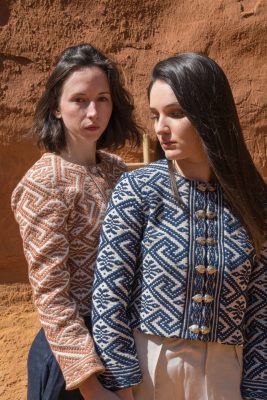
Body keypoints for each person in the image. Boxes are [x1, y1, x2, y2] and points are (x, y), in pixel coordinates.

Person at [92, 52, 267, 400]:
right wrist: (121, 378)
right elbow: (109, 292)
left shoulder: (254, 201)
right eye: (156, 115)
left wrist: (257, 386)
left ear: (209, 114)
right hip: (148, 367)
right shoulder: (137, 189)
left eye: (175, 113)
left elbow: (261, 307)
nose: (160, 128)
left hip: (225, 376)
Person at [11, 43, 142, 400]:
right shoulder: (44, 182)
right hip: (74, 365)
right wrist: (90, 384)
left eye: (103, 98)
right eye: (79, 100)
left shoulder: (115, 169)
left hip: (123, 347)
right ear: (56, 106)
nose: (93, 111)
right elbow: (51, 294)